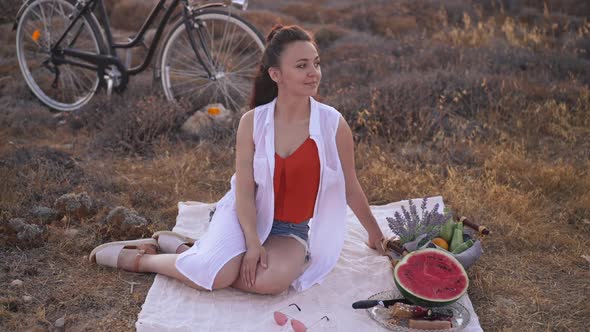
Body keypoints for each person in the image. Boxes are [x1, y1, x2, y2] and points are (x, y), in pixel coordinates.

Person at [89, 25, 385, 295]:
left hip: (291, 229)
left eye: (316, 63)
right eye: (302, 66)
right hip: (245, 215)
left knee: (269, 283)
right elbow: (244, 190)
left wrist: (376, 235)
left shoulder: (333, 124)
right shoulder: (252, 122)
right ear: (276, 74)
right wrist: (253, 243)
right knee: (216, 276)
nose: (314, 73)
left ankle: (190, 250)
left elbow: (350, 186)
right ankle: (143, 259)